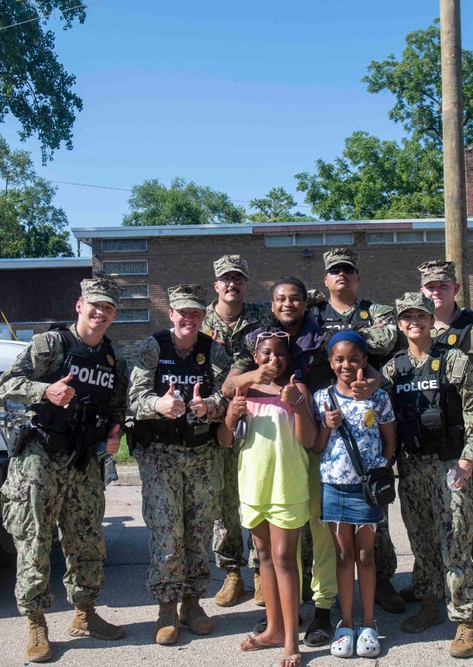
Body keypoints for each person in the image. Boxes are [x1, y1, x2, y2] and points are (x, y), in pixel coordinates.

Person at [223, 276, 381, 648]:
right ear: (273, 304)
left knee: (323, 533)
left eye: (296, 298)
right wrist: (256, 374)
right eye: (281, 299)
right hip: (276, 452)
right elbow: (231, 383)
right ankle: (282, 614)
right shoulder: (260, 339)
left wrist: (371, 384)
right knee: (280, 541)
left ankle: (323, 610)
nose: (289, 304)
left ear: (305, 304)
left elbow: (363, 366)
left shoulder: (323, 335)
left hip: (323, 445)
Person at [0, 278, 128, 663]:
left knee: (87, 538)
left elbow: (117, 408)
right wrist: (45, 391)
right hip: (40, 456)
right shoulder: (50, 346)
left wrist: (114, 435)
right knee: (35, 539)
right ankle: (36, 623)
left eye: (107, 308)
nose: (100, 312)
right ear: (79, 305)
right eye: (95, 305)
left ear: (114, 315)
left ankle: (85, 614)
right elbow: (6, 385)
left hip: (84, 459)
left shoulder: (112, 361)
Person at [382, 292, 473, 659]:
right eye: (407, 317)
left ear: (433, 321)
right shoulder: (392, 369)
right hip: (411, 468)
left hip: (450, 467)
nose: (414, 321)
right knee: (421, 540)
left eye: (421, 316)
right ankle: (429, 603)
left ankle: (466, 619)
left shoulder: (455, 362)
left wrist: (468, 460)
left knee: (456, 541)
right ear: (400, 324)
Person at [128, 284, 232, 645]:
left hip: (202, 454)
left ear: (204, 316)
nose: (189, 319)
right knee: (167, 533)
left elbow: (228, 393)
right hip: (161, 456)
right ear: (170, 314)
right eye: (182, 312)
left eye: (196, 313)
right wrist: (157, 405)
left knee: (199, 531)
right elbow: (134, 398)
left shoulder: (213, 350)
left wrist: (210, 407)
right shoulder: (153, 348)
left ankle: (193, 602)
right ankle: (167, 607)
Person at [310, 247, 404, 614]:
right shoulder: (313, 312)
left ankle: (383, 582)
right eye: (335, 271)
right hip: (327, 411)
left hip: (370, 409)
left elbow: (387, 339)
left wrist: (338, 337)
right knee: (329, 526)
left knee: (374, 512)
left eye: (348, 270)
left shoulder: (377, 310)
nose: (342, 276)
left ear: (357, 276)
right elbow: (310, 345)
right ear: (326, 279)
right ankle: (323, 590)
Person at [217, 326, 317, 667]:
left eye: (280, 354)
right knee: (264, 558)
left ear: (289, 359)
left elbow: (309, 441)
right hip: (254, 486)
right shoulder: (244, 389)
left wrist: (299, 406)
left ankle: (291, 639)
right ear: (255, 358)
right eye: (266, 354)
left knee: (285, 559)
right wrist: (232, 414)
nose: (274, 359)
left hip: (287, 486)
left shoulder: (296, 389)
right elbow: (226, 441)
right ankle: (273, 628)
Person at [414, 259, 473, 620]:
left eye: (442, 285)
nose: (436, 291)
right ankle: (435, 587)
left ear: (455, 288)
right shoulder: (413, 325)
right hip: (431, 440)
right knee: (437, 518)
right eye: (430, 287)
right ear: (422, 290)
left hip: (472, 438)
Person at [312, 330, 396, 659]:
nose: (347, 365)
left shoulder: (378, 398)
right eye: (340, 359)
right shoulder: (323, 399)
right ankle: (345, 624)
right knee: (344, 556)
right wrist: (326, 426)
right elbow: (317, 448)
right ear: (331, 363)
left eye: (354, 358)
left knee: (366, 556)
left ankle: (369, 622)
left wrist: (379, 470)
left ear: (364, 361)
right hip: (333, 487)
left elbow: (390, 442)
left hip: (366, 491)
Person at [202, 254, 272, 608]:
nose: (232, 284)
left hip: (259, 417)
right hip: (217, 423)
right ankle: (232, 573)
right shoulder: (199, 321)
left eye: (239, 279)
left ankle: (261, 571)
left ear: (246, 283)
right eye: (226, 279)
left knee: (258, 494)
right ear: (216, 285)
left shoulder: (262, 315)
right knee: (226, 502)